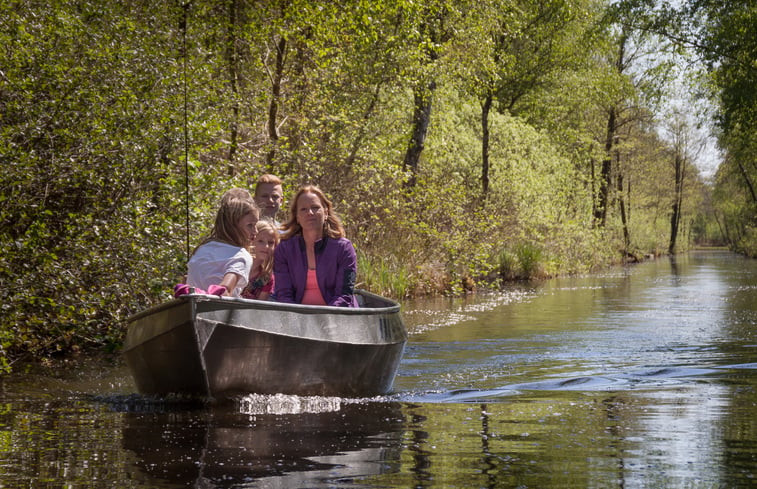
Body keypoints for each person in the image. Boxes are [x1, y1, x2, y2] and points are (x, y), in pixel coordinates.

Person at [274, 185, 358, 307]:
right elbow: (283, 295)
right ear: (297, 217)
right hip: (297, 318)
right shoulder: (285, 249)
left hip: (337, 317)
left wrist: (325, 319)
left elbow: (344, 295)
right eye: (303, 209)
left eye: (315, 207)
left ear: (326, 212)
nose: (310, 213)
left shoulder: (344, 248)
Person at [183, 196, 259, 297]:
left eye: (256, 225)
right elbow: (225, 291)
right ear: (232, 226)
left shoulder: (202, 249)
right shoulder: (241, 256)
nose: (256, 231)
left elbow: (186, 282)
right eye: (250, 225)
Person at [241, 219, 279, 300]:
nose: (266, 247)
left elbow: (259, 308)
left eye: (271, 243)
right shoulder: (237, 265)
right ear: (251, 241)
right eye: (260, 241)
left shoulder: (266, 278)